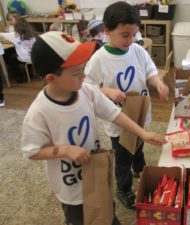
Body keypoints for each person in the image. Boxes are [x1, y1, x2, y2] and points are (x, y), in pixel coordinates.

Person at [21, 31, 167, 225]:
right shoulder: (39, 112)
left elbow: (114, 114)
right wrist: (64, 150)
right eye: (76, 72)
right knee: (80, 219)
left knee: (106, 211)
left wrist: (142, 133)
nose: (84, 76)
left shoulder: (87, 91)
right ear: (51, 78)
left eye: (83, 69)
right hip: (71, 187)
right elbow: (31, 151)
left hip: (95, 170)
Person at [84, 1, 169, 209]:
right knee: (122, 156)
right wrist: (107, 91)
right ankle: (124, 188)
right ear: (107, 31)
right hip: (118, 119)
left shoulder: (137, 51)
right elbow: (87, 86)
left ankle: (139, 168)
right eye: (125, 35)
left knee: (139, 144)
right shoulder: (98, 59)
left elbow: (150, 71)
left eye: (134, 35)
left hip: (139, 112)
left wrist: (158, 83)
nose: (130, 40)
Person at [0, 18, 36, 82]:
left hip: (24, 58)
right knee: (12, 51)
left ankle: (20, 77)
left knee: (9, 59)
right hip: (33, 55)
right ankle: (29, 74)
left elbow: (1, 34)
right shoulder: (31, 33)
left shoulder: (15, 35)